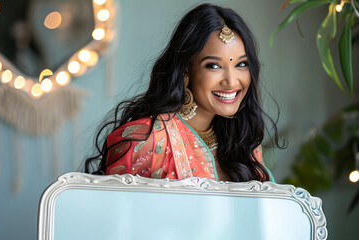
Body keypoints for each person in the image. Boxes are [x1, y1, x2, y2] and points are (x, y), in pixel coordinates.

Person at [84, 3, 283, 182]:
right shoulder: (148, 139)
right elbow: (116, 217)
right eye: (214, 66)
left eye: (241, 64)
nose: (231, 81)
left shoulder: (244, 144)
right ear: (186, 70)